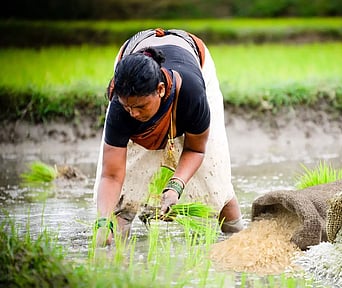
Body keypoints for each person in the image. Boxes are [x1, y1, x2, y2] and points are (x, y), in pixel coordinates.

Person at [93, 28, 244, 246]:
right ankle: (115, 249)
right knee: (123, 201)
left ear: (161, 89)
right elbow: (111, 175)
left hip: (194, 61)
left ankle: (239, 236)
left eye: (140, 106)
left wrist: (176, 186)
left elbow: (196, 149)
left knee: (214, 179)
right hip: (132, 58)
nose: (133, 114)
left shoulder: (192, 93)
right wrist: (102, 222)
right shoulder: (121, 105)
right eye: (128, 108)